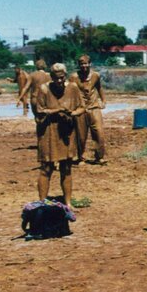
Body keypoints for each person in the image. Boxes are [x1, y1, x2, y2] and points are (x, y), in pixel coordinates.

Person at [35, 63, 85, 202]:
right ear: (51, 77)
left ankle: (68, 202)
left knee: (67, 167)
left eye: (62, 78)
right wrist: (56, 111)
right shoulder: (44, 89)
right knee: (46, 168)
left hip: (67, 132)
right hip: (48, 132)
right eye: (56, 78)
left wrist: (73, 113)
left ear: (65, 76)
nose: (59, 81)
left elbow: (82, 107)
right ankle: (42, 203)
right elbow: (39, 111)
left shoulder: (73, 88)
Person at [69, 55, 106, 164]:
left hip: (94, 107)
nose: (84, 66)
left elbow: (99, 88)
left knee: (99, 132)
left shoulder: (96, 76)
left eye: (86, 63)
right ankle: (82, 157)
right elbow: (69, 92)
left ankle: (100, 157)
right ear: (79, 65)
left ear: (90, 64)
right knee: (81, 135)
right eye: (81, 64)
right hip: (80, 108)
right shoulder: (74, 77)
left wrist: (103, 101)